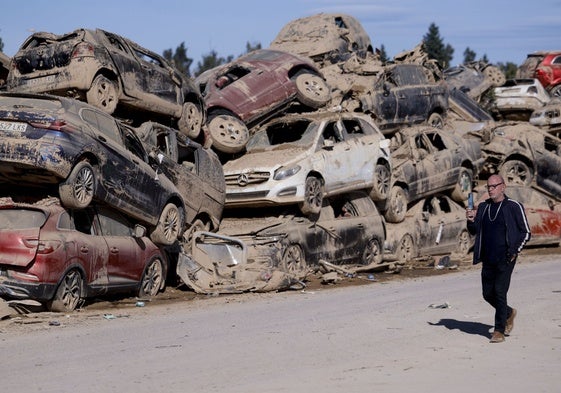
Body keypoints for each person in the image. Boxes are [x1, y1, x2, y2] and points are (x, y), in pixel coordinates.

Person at [466, 175, 531, 343]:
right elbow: (474, 230)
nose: (491, 189)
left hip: (506, 257)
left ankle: (499, 330)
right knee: (488, 294)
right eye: (488, 186)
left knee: (500, 292)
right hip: (488, 258)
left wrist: (515, 250)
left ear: (503, 187)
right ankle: (508, 313)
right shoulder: (483, 207)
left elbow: (526, 232)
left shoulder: (513, 206)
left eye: (494, 186)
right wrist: (471, 220)